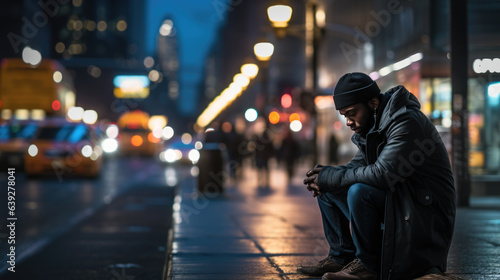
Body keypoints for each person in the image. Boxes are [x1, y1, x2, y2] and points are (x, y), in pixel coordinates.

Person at [297, 73, 456, 280]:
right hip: (400, 203)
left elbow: (383, 174)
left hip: (423, 214)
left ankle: (367, 266)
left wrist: (332, 175)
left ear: (373, 103)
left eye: (352, 113)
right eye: (345, 115)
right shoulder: (373, 127)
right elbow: (355, 168)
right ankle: (341, 257)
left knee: (359, 191)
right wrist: (324, 176)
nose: (348, 122)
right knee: (329, 187)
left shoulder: (406, 121)